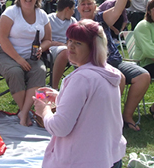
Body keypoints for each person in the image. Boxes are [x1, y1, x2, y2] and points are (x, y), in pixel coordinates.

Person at [34, 19, 125, 168]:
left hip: (83, 160)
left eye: (78, 43)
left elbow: (60, 127)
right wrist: (60, 97)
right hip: (110, 156)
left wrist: (44, 111)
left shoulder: (81, 79)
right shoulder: (109, 73)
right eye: (69, 40)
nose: (70, 46)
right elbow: (93, 107)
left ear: (93, 48)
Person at [52, 0, 150, 131]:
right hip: (94, 65)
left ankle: (126, 116)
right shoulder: (77, 26)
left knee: (143, 76)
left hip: (115, 61)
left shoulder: (101, 18)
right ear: (78, 8)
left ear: (95, 7)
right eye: (83, 4)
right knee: (119, 78)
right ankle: (109, 118)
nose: (86, 7)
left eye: (89, 3)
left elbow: (117, 9)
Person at [0, 0, 51, 126]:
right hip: (6, 53)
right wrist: (18, 59)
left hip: (32, 56)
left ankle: (24, 113)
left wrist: (41, 48)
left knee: (40, 70)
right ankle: (25, 113)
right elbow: (2, 38)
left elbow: (48, 40)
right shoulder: (11, 12)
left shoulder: (42, 15)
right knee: (15, 72)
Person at [47, 0, 78, 89]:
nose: (73, 12)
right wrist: (61, 45)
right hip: (50, 48)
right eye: (73, 9)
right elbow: (42, 39)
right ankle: (54, 87)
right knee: (64, 51)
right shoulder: (49, 19)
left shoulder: (73, 21)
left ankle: (79, 87)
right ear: (67, 9)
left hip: (68, 48)